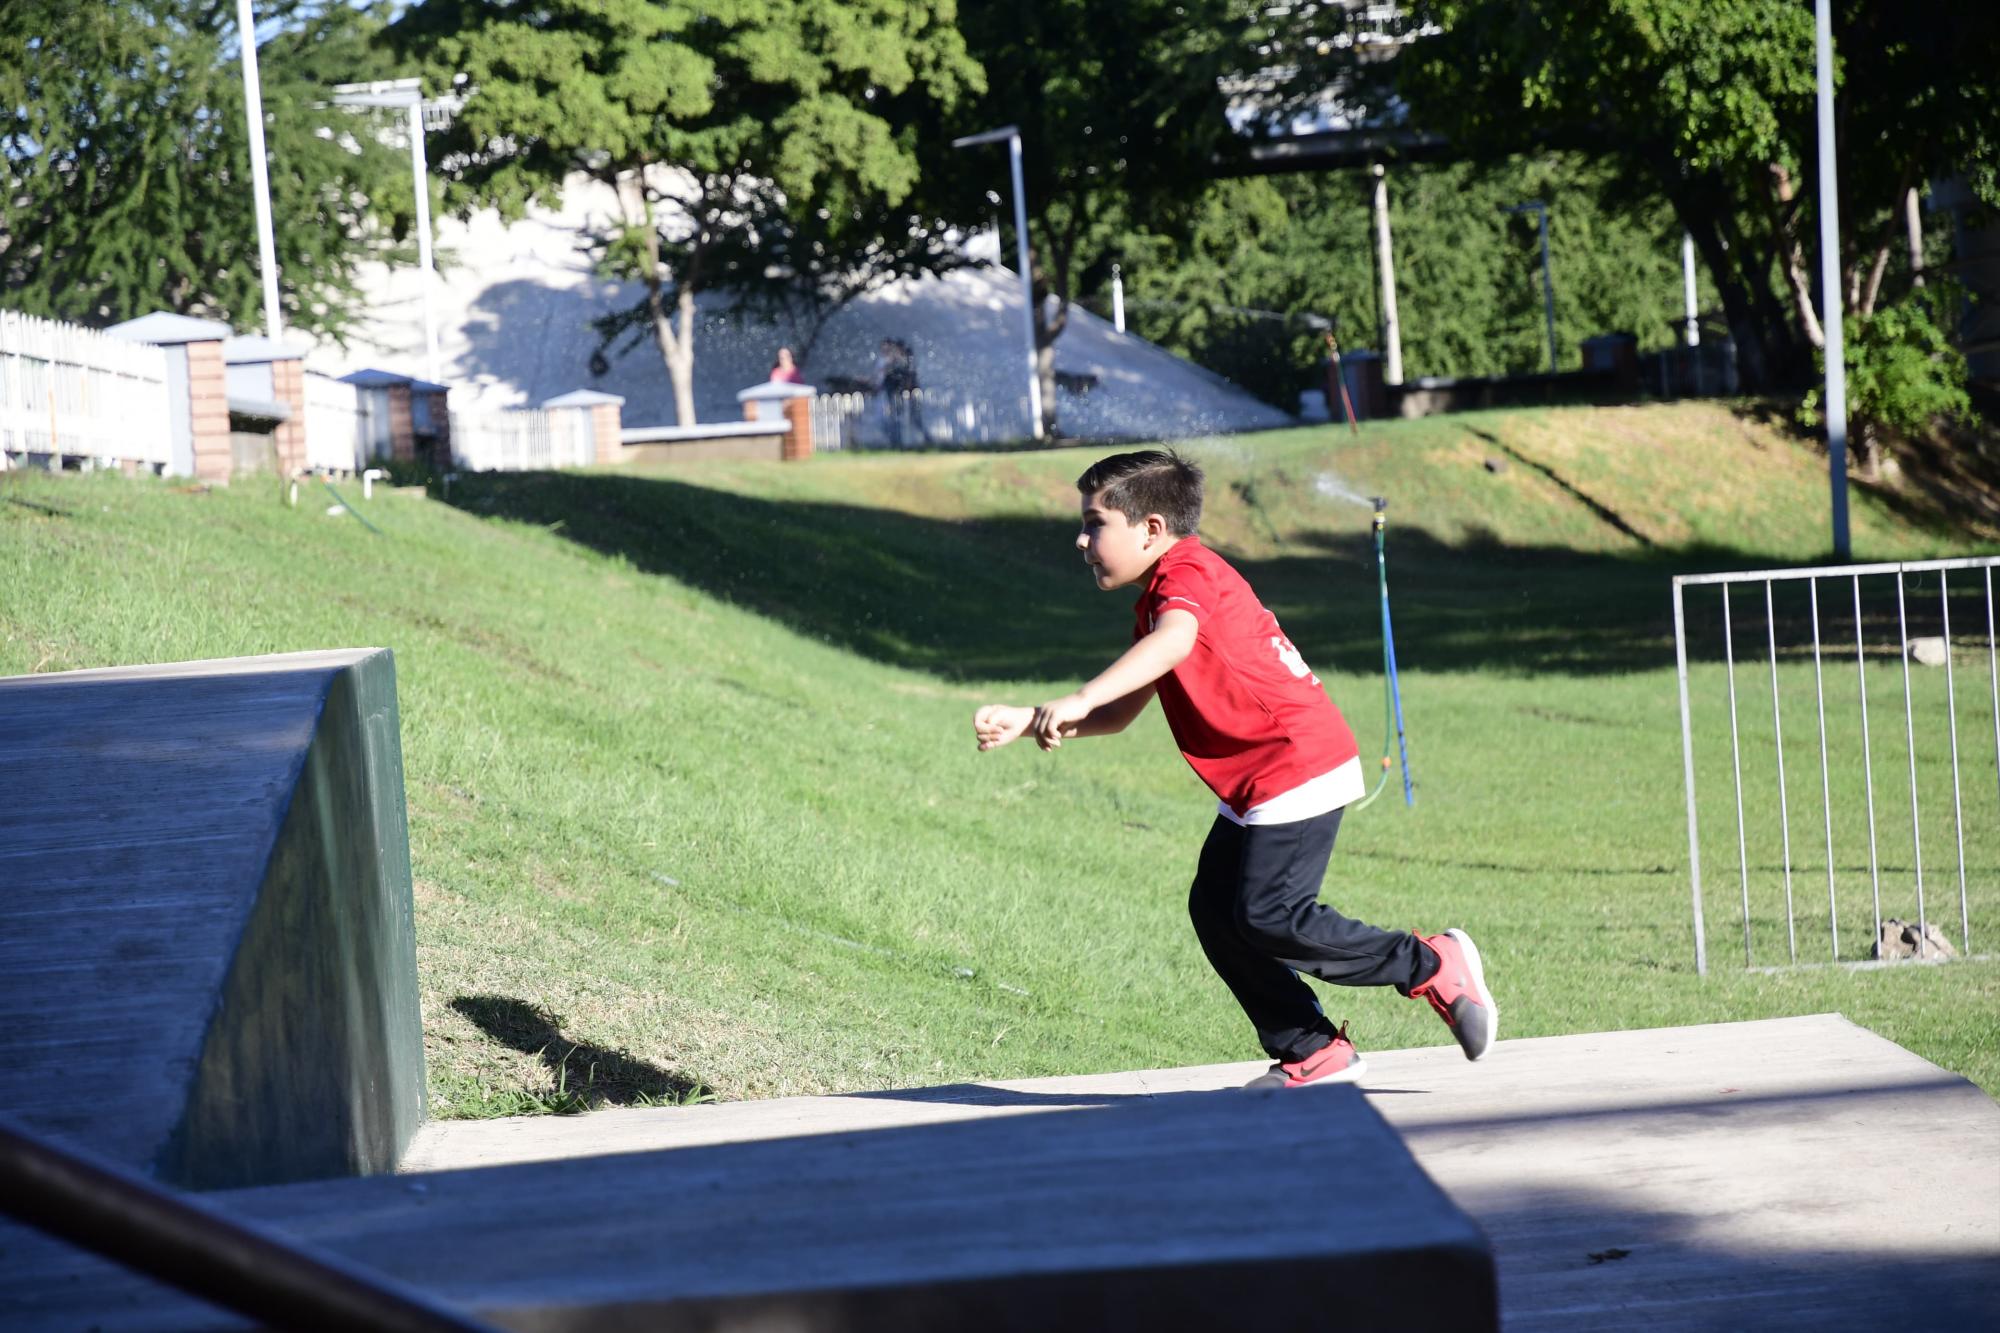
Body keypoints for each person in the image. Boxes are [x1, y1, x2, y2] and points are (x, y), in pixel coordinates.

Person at [972, 450, 1496, 1088]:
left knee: (1271, 916)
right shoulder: (1158, 600)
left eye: (1095, 523)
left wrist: (1078, 697)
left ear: (1152, 529)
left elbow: (1176, 643)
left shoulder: (1187, 572)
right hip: (1258, 778)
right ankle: (1312, 1047)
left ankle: (1431, 964)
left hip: (1294, 762)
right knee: (1217, 909)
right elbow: (1120, 713)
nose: (1081, 540)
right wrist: (1031, 719)